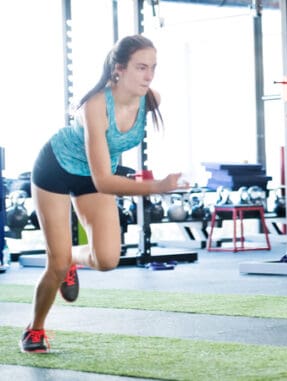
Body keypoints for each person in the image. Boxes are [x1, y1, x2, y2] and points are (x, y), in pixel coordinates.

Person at [20, 35, 188, 353]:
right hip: (55, 170)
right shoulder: (96, 105)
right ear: (119, 69)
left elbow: (100, 177)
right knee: (54, 265)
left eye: (153, 68)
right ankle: (35, 329)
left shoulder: (151, 100)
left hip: (94, 177)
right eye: (141, 68)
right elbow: (104, 181)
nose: (149, 75)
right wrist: (156, 186)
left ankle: (70, 258)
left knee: (108, 259)